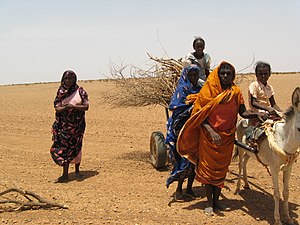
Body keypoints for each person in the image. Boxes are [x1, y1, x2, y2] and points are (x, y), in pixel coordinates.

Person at [177, 62, 267, 215]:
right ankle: (209, 203)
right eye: (222, 73)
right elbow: (200, 115)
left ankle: (217, 201)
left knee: (221, 170)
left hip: (227, 138)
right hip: (209, 137)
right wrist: (211, 131)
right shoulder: (209, 91)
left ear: (233, 76)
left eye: (228, 74)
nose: (225, 76)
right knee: (208, 170)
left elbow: (243, 112)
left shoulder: (235, 92)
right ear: (218, 75)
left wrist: (256, 115)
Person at [165, 64, 203, 201]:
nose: (193, 77)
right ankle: (179, 189)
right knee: (184, 159)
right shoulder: (182, 89)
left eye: (195, 75)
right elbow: (175, 106)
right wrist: (191, 105)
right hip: (182, 129)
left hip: (195, 129)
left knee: (194, 160)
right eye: (191, 75)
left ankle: (190, 189)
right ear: (186, 75)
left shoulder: (200, 89)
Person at [50, 70, 89, 182]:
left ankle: (77, 171)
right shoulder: (61, 92)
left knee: (77, 146)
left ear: (75, 79)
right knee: (63, 148)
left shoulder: (80, 91)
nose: (68, 81)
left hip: (77, 126)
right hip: (64, 126)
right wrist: (65, 108)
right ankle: (65, 174)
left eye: (71, 78)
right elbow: (57, 107)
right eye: (66, 78)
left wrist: (73, 106)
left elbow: (86, 106)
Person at [248, 61, 282, 126]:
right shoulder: (254, 85)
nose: (263, 76)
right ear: (256, 74)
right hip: (257, 113)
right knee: (260, 128)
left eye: (265, 74)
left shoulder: (269, 88)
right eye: (260, 74)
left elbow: (274, 104)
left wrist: (282, 113)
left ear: (269, 74)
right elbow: (253, 103)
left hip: (268, 113)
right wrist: (267, 108)